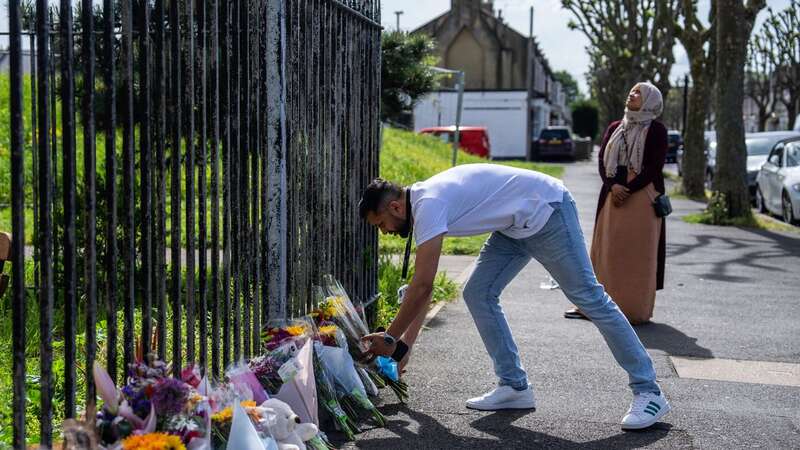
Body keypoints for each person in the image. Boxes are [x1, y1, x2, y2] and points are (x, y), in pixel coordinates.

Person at [357, 163, 671, 430]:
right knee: (478, 293)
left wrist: (390, 337)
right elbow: (421, 288)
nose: (384, 232)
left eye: (381, 224)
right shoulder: (423, 202)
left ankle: (649, 392)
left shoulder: (429, 204)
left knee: (590, 298)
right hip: (514, 226)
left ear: (395, 207)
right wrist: (402, 347)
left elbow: (423, 286)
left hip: (547, 211)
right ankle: (514, 386)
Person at [564, 82, 667, 325]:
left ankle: (633, 310)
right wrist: (613, 186)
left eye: (638, 93)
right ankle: (594, 307)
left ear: (651, 100)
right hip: (613, 196)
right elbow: (602, 160)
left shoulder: (657, 131)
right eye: (631, 90)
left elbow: (654, 167)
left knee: (636, 255)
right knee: (606, 251)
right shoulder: (615, 127)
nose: (631, 94)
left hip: (641, 197)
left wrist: (628, 188)